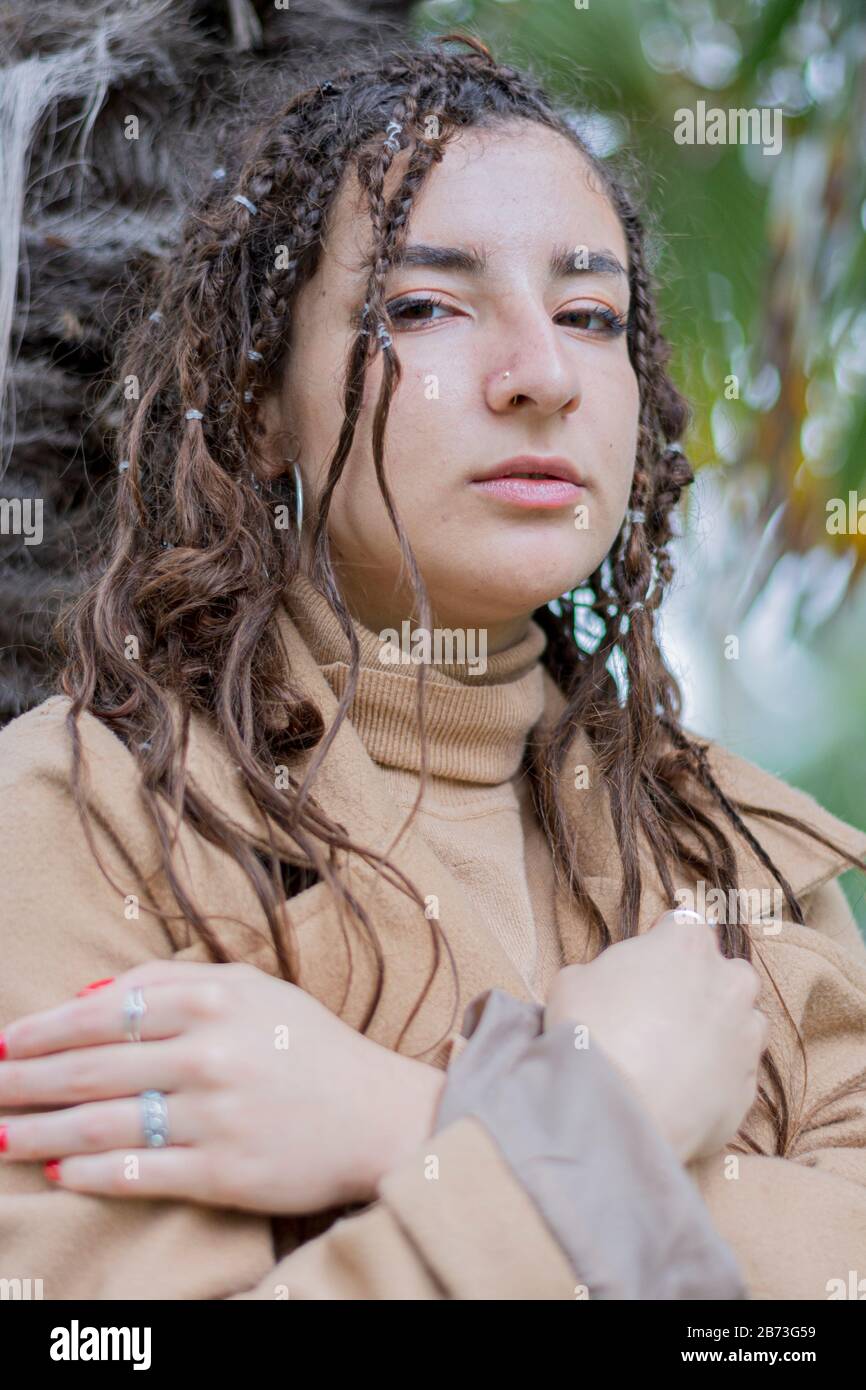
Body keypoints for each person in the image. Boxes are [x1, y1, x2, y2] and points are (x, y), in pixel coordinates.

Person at [0, 32, 864, 1301]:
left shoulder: (739, 860)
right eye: (421, 305)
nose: (538, 378)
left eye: (588, 315)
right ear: (256, 398)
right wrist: (601, 1123)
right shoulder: (85, 819)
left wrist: (406, 1119)